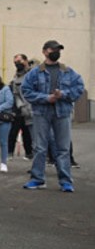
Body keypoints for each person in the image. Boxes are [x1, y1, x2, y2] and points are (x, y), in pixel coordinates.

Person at [21, 39, 85, 192]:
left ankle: (65, 182)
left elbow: (79, 88)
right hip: (41, 113)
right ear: (44, 51)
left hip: (62, 112)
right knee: (39, 147)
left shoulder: (68, 71)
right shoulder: (35, 72)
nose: (55, 52)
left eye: (58, 50)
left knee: (63, 148)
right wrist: (45, 98)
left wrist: (62, 94)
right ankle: (37, 179)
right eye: (52, 49)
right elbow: (26, 91)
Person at [7, 54, 33, 160]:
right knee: (13, 132)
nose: (17, 64)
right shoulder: (16, 77)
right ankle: (9, 153)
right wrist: (20, 107)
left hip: (32, 108)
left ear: (26, 60)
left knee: (29, 134)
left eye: (19, 61)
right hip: (19, 109)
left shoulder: (33, 74)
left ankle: (30, 153)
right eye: (15, 62)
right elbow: (15, 93)